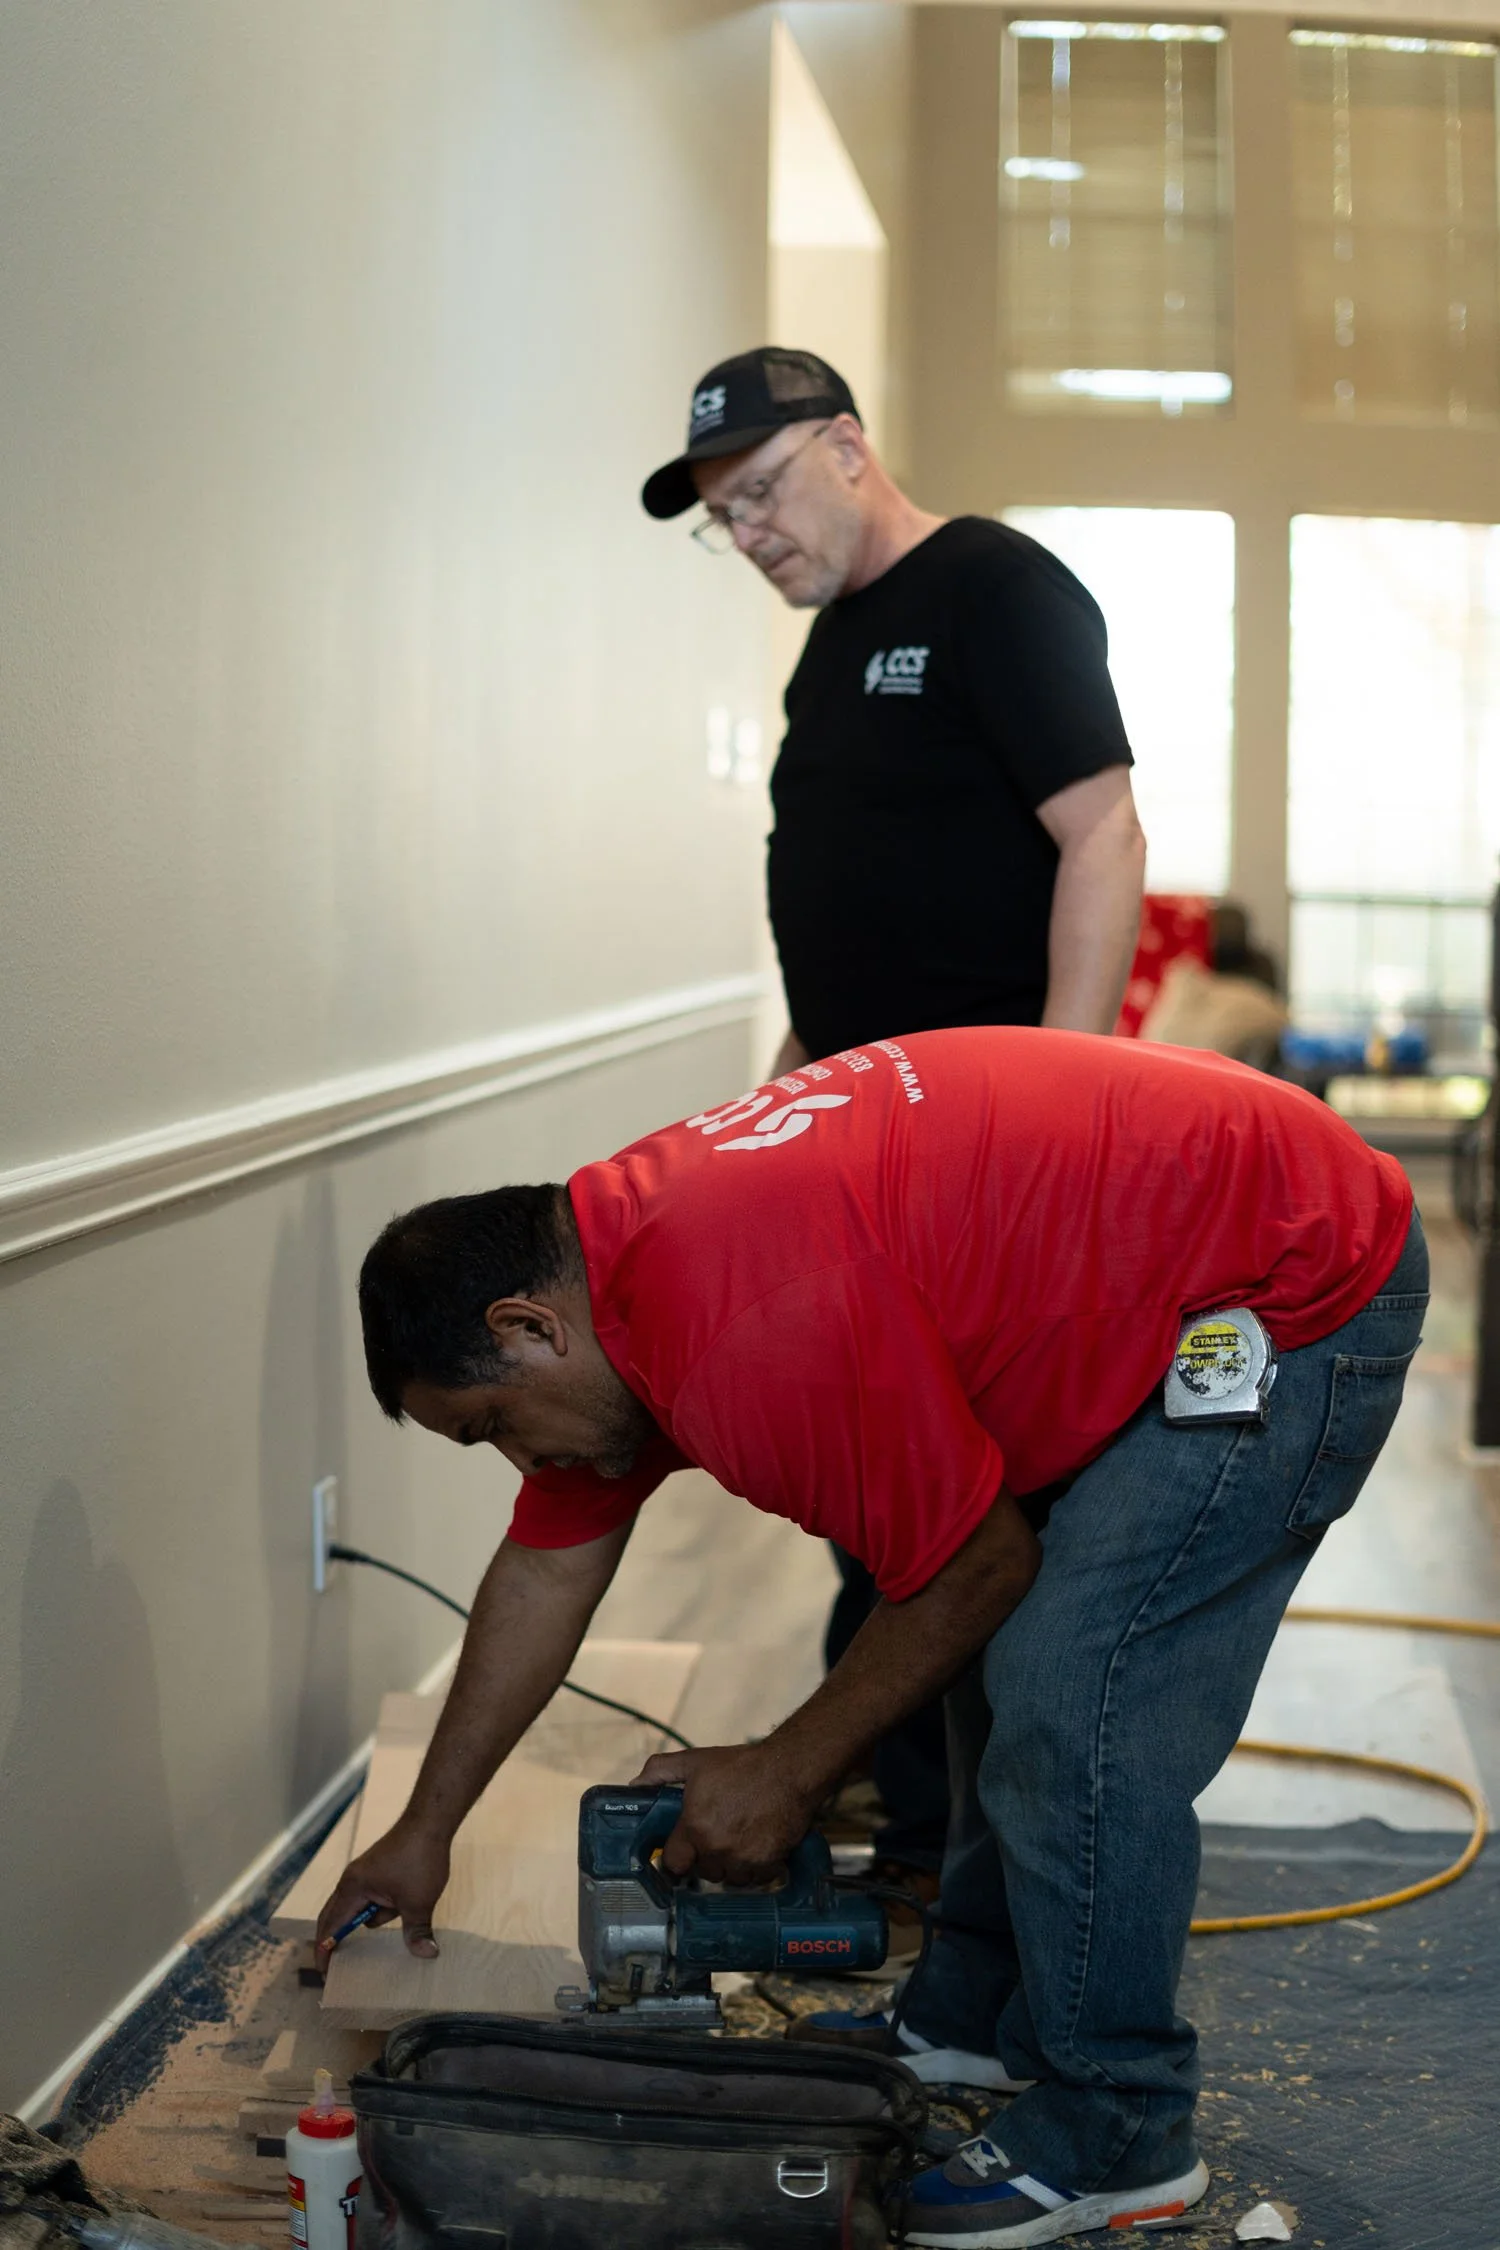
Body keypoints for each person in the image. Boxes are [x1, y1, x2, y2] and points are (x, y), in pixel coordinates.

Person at [319, 1027, 1424, 2249]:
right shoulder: (621, 1271)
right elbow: (541, 1573)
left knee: (1072, 1695)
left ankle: (1123, 2131)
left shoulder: (740, 1320)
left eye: (493, 1428)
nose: (527, 1461)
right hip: (1188, 1228)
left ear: (528, 1330)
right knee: (979, 1659)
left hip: (1292, 1277)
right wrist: (424, 1833)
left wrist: (786, 1773)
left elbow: (974, 1567)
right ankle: (975, 2010)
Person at [642, 345, 1148, 1881]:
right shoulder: (832, 647)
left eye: (766, 493)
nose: (751, 536)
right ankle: (887, 1787)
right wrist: (780, 1108)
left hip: (994, 1144)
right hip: (867, 1139)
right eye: (723, 519)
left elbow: (1104, 829)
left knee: (981, 1486)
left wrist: (1064, 1094)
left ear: (850, 446)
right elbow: (849, 913)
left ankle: (988, 1848)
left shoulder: (995, 588)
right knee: (886, 1476)